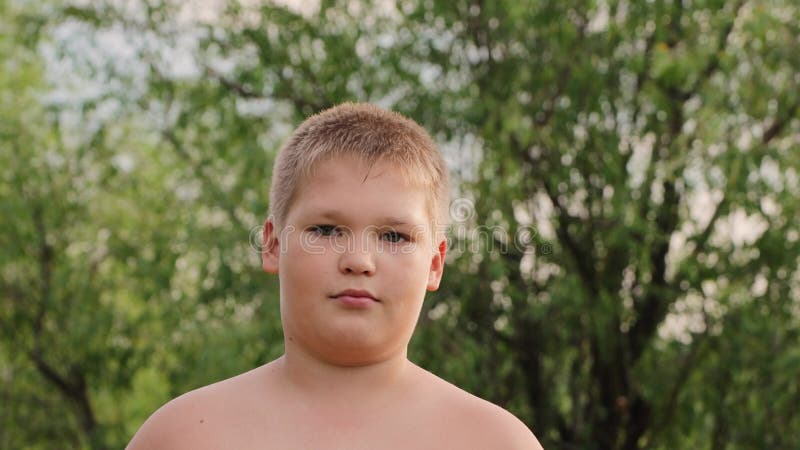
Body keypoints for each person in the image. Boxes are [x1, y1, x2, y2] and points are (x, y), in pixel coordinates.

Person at [126, 103, 544, 449]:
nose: (359, 260)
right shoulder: (182, 436)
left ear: (435, 264)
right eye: (325, 230)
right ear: (272, 244)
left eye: (395, 236)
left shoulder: (495, 441)